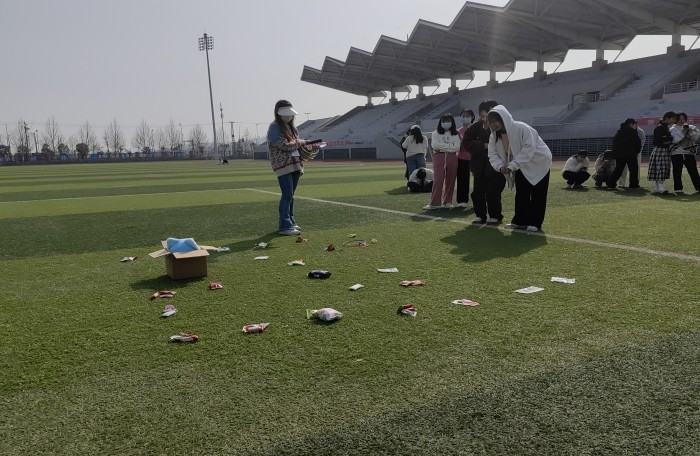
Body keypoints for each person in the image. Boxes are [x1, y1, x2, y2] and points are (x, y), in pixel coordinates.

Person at [487, 105, 552, 232]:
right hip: (520, 165)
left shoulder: (521, 128)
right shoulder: (494, 136)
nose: (493, 124)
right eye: (491, 122)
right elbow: (492, 154)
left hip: (538, 162)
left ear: (503, 118)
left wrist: (512, 165)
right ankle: (520, 220)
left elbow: (528, 148)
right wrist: (500, 167)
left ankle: (535, 222)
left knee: (538, 193)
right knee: (521, 192)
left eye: (495, 121)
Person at [267, 100, 319, 236]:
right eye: (286, 114)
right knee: (287, 195)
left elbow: (295, 145)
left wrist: (307, 146)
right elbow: (284, 145)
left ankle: (290, 221)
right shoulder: (274, 127)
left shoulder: (293, 128)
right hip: (283, 165)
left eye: (290, 115)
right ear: (279, 114)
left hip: (295, 164)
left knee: (291, 196)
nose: (289, 117)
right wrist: (301, 142)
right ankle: (284, 225)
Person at [463, 100, 504, 224]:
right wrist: (482, 145)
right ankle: (480, 215)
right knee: (477, 192)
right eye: (483, 114)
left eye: (488, 114)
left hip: (495, 165)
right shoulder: (475, 127)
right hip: (479, 165)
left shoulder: (500, 126)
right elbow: (466, 142)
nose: (485, 118)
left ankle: (495, 215)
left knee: (493, 192)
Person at [424, 114, 461, 209]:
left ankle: (447, 202)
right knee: (438, 179)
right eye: (444, 121)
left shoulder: (455, 133)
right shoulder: (435, 133)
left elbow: (457, 147)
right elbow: (435, 146)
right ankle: (435, 203)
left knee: (451, 179)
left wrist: (442, 147)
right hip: (439, 157)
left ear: (452, 122)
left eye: (448, 121)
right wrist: (450, 146)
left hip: (452, 157)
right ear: (440, 122)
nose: (446, 123)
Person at [669, 112, 700, 194]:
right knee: (677, 171)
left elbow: (696, 138)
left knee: (693, 171)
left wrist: (690, 132)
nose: (682, 121)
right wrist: (683, 132)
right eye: (679, 119)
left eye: (683, 119)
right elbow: (675, 140)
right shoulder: (672, 129)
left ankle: (698, 188)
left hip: (688, 152)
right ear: (676, 119)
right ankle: (678, 189)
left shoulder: (691, 127)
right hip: (676, 153)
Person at [648, 111, 677, 194]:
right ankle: (660, 187)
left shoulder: (664, 127)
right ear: (667, 118)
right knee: (661, 168)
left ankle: (658, 187)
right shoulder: (660, 128)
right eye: (673, 119)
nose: (673, 120)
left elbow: (666, 139)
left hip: (662, 150)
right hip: (661, 149)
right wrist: (670, 138)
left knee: (660, 168)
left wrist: (668, 139)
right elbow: (661, 140)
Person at [607, 119, 642, 189]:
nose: (635, 126)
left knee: (618, 169)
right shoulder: (633, 132)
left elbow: (614, 142)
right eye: (634, 125)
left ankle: (611, 183)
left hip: (620, 154)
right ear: (631, 124)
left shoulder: (619, 132)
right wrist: (636, 151)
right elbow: (638, 143)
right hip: (631, 154)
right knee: (633, 170)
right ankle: (633, 185)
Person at [456, 109, 476, 208]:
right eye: (463, 116)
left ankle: (478, 199)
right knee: (462, 180)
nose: (465, 118)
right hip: (462, 158)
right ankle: (462, 200)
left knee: (478, 180)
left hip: (475, 158)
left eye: (467, 116)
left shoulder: (476, 129)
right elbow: (457, 146)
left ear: (472, 117)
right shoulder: (458, 131)